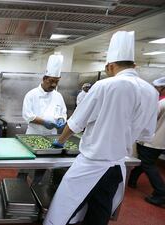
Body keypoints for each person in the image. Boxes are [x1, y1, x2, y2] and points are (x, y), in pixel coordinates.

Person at [44, 31, 158, 225]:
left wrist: (60, 141)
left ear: (111, 65)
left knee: (64, 210)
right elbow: (146, 134)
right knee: (100, 212)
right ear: (134, 65)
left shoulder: (105, 86)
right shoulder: (151, 92)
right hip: (117, 166)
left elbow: (75, 123)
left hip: (90, 165)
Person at [21, 53, 67, 184]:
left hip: (51, 136)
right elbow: (27, 115)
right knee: (25, 164)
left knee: (43, 165)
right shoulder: (32, 94)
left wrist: (61, 120)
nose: (53, 84)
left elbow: (63, 112)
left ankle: (37, 185)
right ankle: (19, 183)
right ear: (44, 78)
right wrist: (44, 122)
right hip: (33, 134)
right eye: (51, 81)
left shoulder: (58, 96)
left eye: (56, 82)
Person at [128, 76, 165, 207]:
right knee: (144, 162)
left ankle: (161, 194)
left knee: (148, 164)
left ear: (162, 88)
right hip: (161, 143)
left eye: (157, 88)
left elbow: (149, 121)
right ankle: (131, 181)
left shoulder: (161, 104)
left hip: (151, 141)